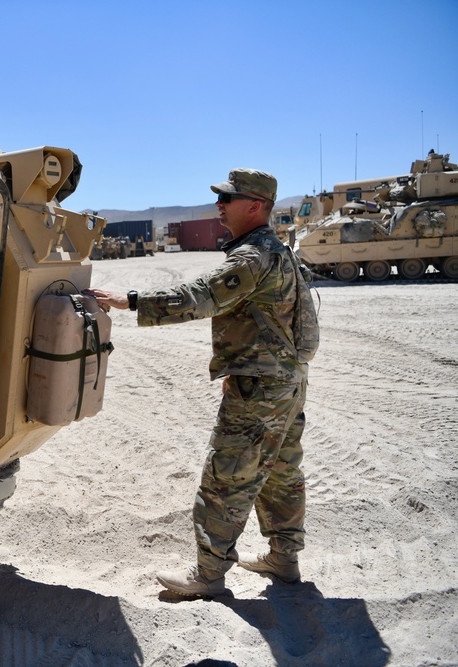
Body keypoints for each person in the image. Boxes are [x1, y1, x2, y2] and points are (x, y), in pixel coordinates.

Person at [85, 168, 316, 597]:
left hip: (260, 389)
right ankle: (284, 559)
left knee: (226, 477)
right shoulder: (274, 249)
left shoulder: (252, 256)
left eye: (228, 198)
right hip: (286, 382)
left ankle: (208, 576)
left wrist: (129, 300)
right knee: (282, 473)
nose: (219, 205)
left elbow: (200, 296)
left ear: (255, 206)